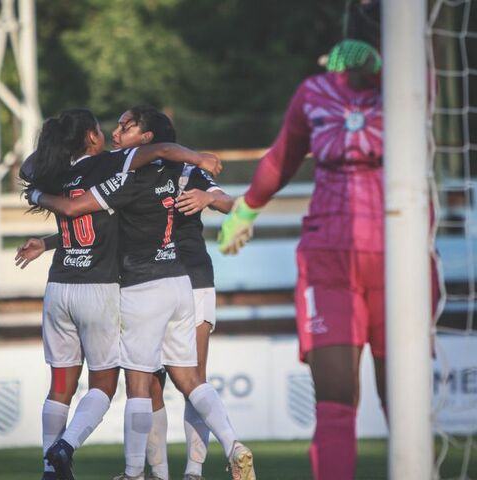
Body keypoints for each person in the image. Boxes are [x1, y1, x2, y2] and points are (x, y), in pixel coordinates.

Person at [26, 107, 256, 480]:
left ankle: (162, 472)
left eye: (126, 126)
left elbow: (231, 204)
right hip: (182, 280)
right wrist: (52, 242)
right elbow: (99, 225)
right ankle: (202, 460)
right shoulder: (130, 169)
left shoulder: (136, 173)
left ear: (149, 139)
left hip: (154, 283)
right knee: (179, 380)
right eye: (113, 126)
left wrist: (206, 197)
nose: (116, 132)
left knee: (148, 384)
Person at [219, 3, 391, 479]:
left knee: (404, 401)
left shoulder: (409, 86)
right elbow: (283, 156)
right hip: (329, 260)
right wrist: (246, 208)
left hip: (400, 258)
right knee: (336, 403)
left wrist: (377, 68)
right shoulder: (314, 92)